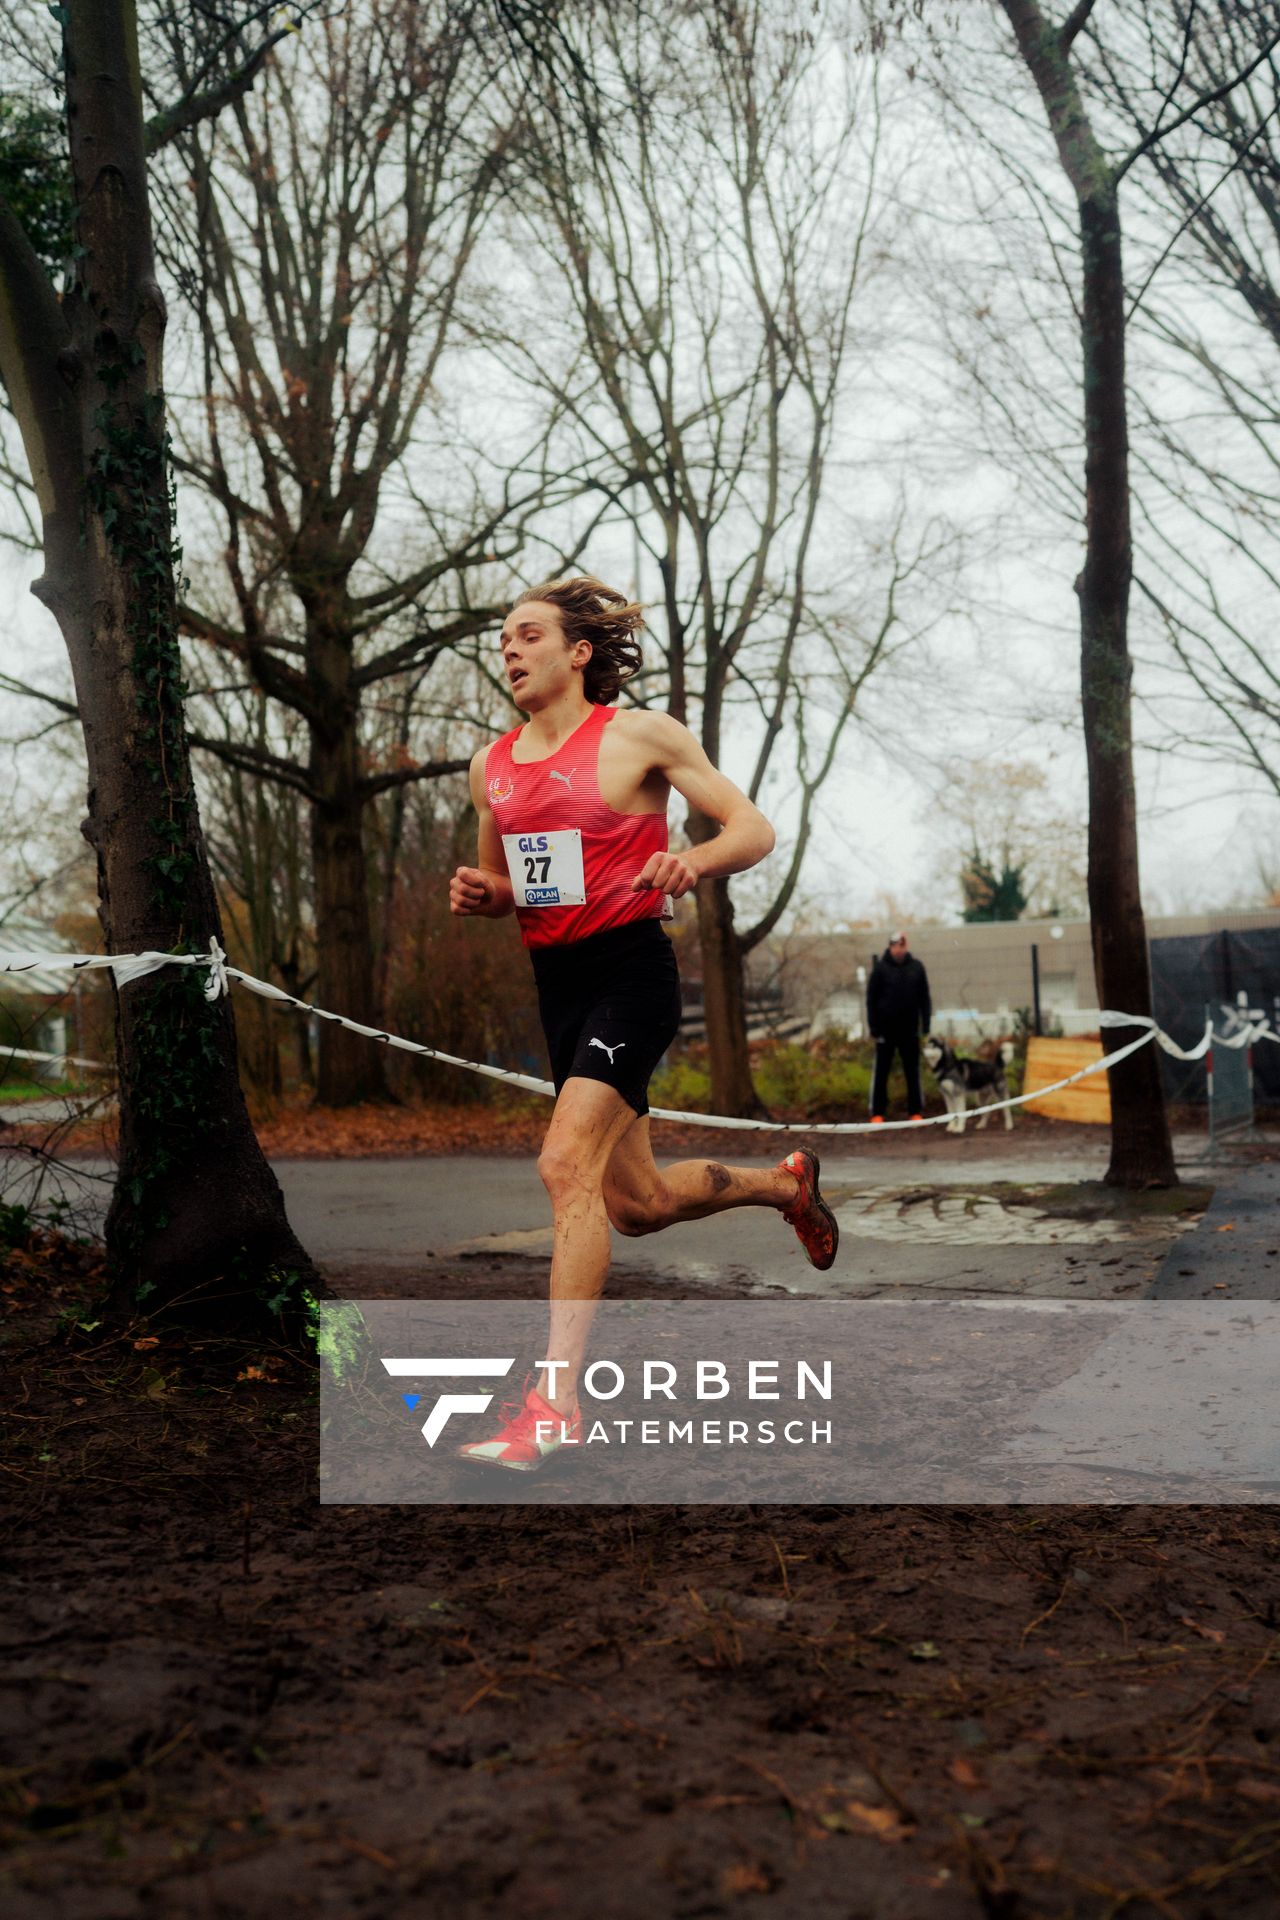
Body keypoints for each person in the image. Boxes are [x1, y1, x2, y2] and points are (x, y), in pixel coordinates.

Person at [448, 576, 839, 1471]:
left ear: (577, 652)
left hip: (633, 973)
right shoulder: (492, 766)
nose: (508, 650)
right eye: (502, 639)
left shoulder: (636, 737)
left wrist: (689, 861)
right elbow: (512, 885)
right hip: (560, 987)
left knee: (561, 1163)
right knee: (636, 1205)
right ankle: (787, 1188)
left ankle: (554, 1405)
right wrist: (486, 893)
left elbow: (754, 827)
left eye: (527, 634)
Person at [866, 930, 932, 1124]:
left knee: (912, 1072)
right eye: (895, 945)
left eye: (902, 945)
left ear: (906, 946)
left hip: (910, 1031)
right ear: (890, 946)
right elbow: (871, 1000)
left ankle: (915, 1111)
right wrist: (874, 1027)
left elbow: (924, 999)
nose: (899, 949)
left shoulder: (917, 968)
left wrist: (925, 1026)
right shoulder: (880, 969)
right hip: (885, 1032)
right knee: (881, 1073)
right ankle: (877, 1112)